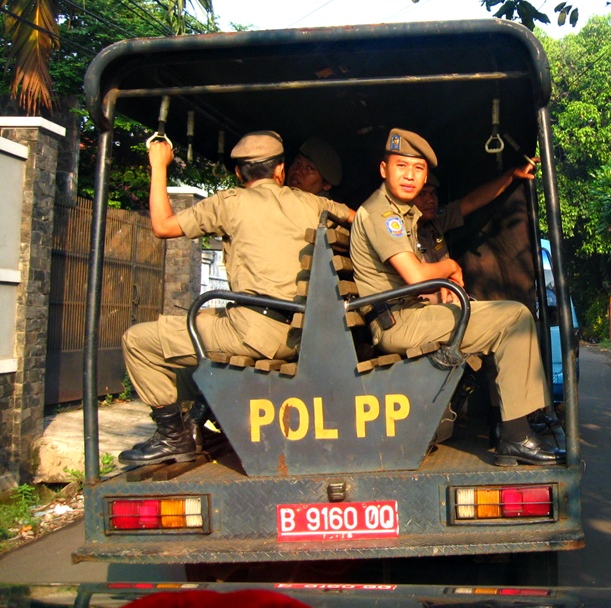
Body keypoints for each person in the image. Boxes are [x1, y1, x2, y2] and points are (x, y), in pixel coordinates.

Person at [118, 131, 354, 466]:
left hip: (253, 333)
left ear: (240, 174)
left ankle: (173, 438)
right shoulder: (314, 204)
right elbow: (361, 221)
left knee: (139, 341)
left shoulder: (229, 202)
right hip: (299, 333)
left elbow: (163, 226)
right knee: (200, 325)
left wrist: (159, 165)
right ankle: (196, 422)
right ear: (280, 171)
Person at [349, 128, 564, 466]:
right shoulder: (383, 215)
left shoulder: (405, 213)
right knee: (514, 318)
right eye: (401, 166)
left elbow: (469, 203)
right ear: (383, 169)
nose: (410, 176)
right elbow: (415, 276)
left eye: (418, 169)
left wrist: (510, 175)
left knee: (503, 319)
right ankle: (515, 434)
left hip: (413, 313)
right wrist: (450, 267)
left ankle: (511, 425)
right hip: (399, 323)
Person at [414, 161, 537, 265]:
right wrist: (451, 269)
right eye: (422, 194)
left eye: (433, 193)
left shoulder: (437, 220)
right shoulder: (404, 228)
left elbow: (472, 201)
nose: (430, 200)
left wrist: (511, 176)